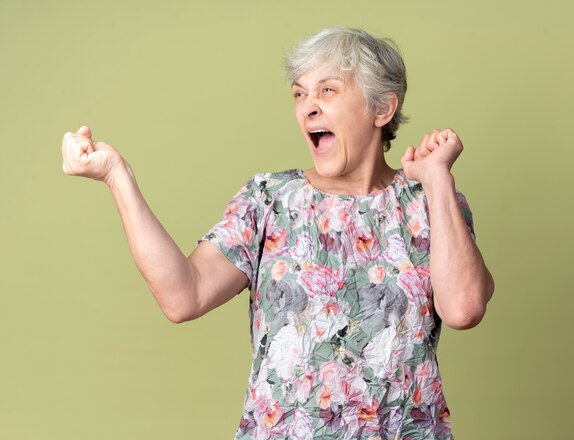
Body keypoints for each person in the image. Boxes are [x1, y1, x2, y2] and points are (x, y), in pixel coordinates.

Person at [62, 28, 493, 440]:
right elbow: (183, 297)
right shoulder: (269, 199)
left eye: (327, 90)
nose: (307, 107)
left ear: (382, 109)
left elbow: (463, 309)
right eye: (300, 93)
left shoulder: (431, 203)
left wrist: (437, 179)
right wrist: (117, 177)